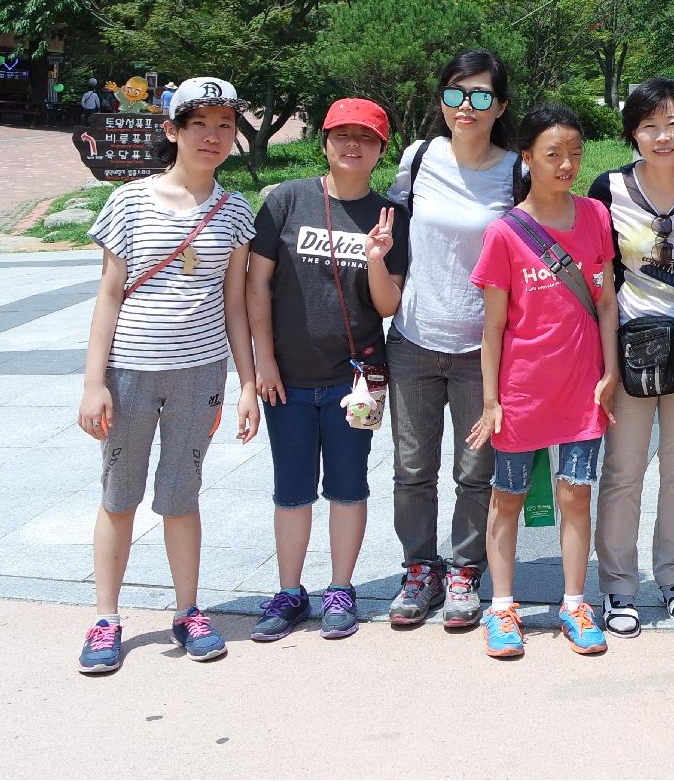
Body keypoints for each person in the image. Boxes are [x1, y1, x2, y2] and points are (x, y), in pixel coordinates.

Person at [74, 77, 260, 675]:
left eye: (225, 126)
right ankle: (106, 618)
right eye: (199, 125)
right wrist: (92, 381)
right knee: (118, 494)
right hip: (129, 371)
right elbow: (108, 296)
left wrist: (248, 383)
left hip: (199, 372)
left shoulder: (234, 212)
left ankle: (189, 610)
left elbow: (235, 306)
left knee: (182, 496)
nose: (213, 137)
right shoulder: (128, 202)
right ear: (171, 130)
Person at [244, 98, 408, 643]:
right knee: (290, 489)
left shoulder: (388, 215)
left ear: (382, 149)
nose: (352, 145)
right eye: (342, 134)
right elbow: (256, 286)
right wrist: (263, 359)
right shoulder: (287, 200)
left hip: (356, 376)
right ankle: (290, 590)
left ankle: (341, 589)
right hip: (287, 379)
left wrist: (379, 256)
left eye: (366, 137)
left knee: (348, 484)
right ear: (325, 141)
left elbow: (387, 307)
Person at [467, 106, 619, 659]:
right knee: (507, 498)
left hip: (581, 388)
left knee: (576, 495)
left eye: (575, 152)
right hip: (522, 391)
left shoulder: (596, 217)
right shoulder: (505, 233)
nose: (567, 164)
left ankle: (575, 602)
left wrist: (610, 372)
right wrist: (491, 401)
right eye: (552, 154)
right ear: (527, 158)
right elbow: (493, 325)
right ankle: (502, 607)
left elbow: (605, 304)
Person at [383, 51, 517, 630]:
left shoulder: (516, 171)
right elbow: (390, 238)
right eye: (457, 94)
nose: (467, 107)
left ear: (501, 106)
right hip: (413, 337)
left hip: (481, 349)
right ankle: (419, 567)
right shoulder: (417, 159)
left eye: (482, 96)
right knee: (412, 467)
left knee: (474, 468)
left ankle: (464, 569)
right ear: (442, 100)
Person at [588, 78, 674, 635]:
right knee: (621, 471)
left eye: (673, 123)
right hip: (629, 349)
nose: (662, 136)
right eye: (648, 125)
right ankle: (618, 586)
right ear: (632, 132)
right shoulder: (609, 188)